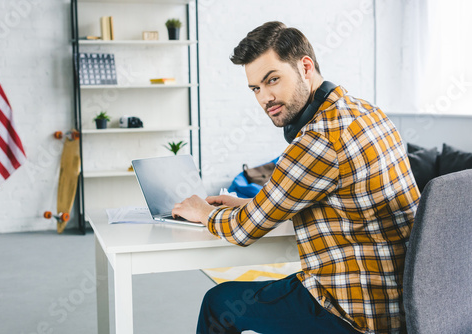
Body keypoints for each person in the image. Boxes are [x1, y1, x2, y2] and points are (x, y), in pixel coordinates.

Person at [172, 21, 420, 334]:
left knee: (218, 303)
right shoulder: (368, 112)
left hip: (354, 312)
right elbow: (331, 200)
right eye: (256, 89)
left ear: (305, 67)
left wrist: (202, 211)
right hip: (404, 304)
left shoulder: (317, 140)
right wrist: (248, 202)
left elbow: (243, 230)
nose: (265, 98)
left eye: (272, 80)